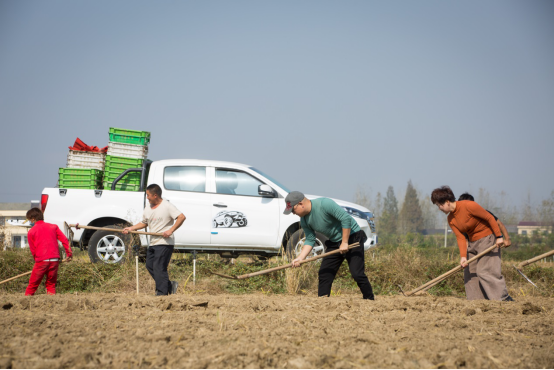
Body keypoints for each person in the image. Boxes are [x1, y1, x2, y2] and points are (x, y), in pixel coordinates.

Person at [286, 191, 375, 300]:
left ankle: (369, 300)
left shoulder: (324, 204)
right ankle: (323, 302)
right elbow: (310, 239)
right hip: (334, 242)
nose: (293, 213)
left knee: (357, 273)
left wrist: (345, 242)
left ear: (300, 204)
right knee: (324, 273)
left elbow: (345, 219)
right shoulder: (304, 220)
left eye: (293, 210)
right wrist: (300, 258)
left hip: (352, 237)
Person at [431, 186, 513, 301]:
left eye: (439, 205)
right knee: (470, 272)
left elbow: (490, 218)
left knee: (485, 271)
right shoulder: (451, 219)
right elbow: (460, 238)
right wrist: (463, 257)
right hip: (472, 242)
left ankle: (503, 298)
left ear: (447, 202)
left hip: (487, 238)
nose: (439, 208)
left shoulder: (468, 205)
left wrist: (499, 237)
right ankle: (477, 301)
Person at [124, 184, 186, 296]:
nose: (147, 197)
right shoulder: (148, 207)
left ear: (155, 195)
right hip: (153, 242)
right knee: (150, 265)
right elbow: (144, 223)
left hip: (165, 242)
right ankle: (168, 285)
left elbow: (181, 217)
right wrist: (131, 228)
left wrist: (171, 230)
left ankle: (162, 294)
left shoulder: (167, 206)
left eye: (148, 195)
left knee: (159, 267)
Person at [25, 208, 73, 296]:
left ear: (33, 219)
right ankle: (51, 304)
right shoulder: (53, 227)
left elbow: (33, 250)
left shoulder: (31, 231)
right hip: (55, 260)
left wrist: (37, 262)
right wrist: (69, 254)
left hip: (41, 261)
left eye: (29, 220)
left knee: (33, 284)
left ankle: (24, 303)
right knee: (51, 284)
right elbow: (65, 240)